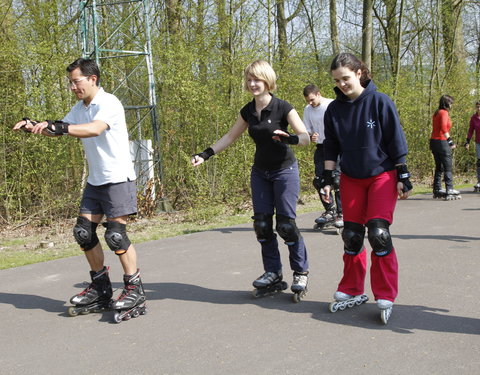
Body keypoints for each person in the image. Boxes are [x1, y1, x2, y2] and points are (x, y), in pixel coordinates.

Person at [13, 58, 146, 321]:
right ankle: (101, 287)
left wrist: (62, 127)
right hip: (96, 180)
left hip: (117, 179)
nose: (73, 87)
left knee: (116, 236)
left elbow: (94, 130)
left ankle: (134, 288)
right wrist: (36, 126)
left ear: (92, 79)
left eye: (76, 81)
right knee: (83, 233)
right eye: (70, 83)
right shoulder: (80, 107)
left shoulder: (109, 103)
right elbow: (62, 129)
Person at [191, 60, 311, 299]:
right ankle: (273, 273)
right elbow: (230, 136)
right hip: (260, 173)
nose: (252, 84)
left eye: (257, 79)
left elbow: (305, 137)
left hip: (284, 172)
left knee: (286, 225)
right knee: (263, 225)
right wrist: (205, 154)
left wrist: (288, 139)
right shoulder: (248, 111)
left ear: (267, 81)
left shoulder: (283, 107)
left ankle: (300, 272)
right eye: (249, 79)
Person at [319, 53, 412, 324]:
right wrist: (326, 178)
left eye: (346, 78)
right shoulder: (334, 110)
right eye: (337, 80)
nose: (342, 84)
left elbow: (395, 138)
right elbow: (331, 147)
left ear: (359, 72)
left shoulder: (379, 101)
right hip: (351, 176)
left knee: (378, 233)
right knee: (351, 234)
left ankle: (385, 293)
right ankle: (351, 288)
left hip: (381, 174)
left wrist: (403, 174)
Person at [302, 84, 343, 229]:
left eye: (312, 100)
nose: (310, 103)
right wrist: (311, 136)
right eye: (308, 101)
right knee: (319, 180)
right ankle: (329, 210)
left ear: (318, 94)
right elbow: (307, 131)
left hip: (336, 147)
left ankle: (341, 213)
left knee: (337, 180)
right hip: (321, 147)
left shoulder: (331, 105)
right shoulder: (308, 110)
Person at [429, 95, 460, 200]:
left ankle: (437, 189)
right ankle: (449, 189)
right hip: (442, 142)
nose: (451, 105)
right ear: (447, 103)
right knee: (448, 166)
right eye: (450, 103)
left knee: (439, 167)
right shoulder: (444, 113)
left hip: (434, 142)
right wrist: (450, 142)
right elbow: (443, 128)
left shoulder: (436, 113)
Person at [464, 100, 480, 192]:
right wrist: (467, 142)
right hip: (478, 143)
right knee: (479, 162)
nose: (479, 108)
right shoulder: (474, 118)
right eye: (477, 106)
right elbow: (470, 131)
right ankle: (479, 181)